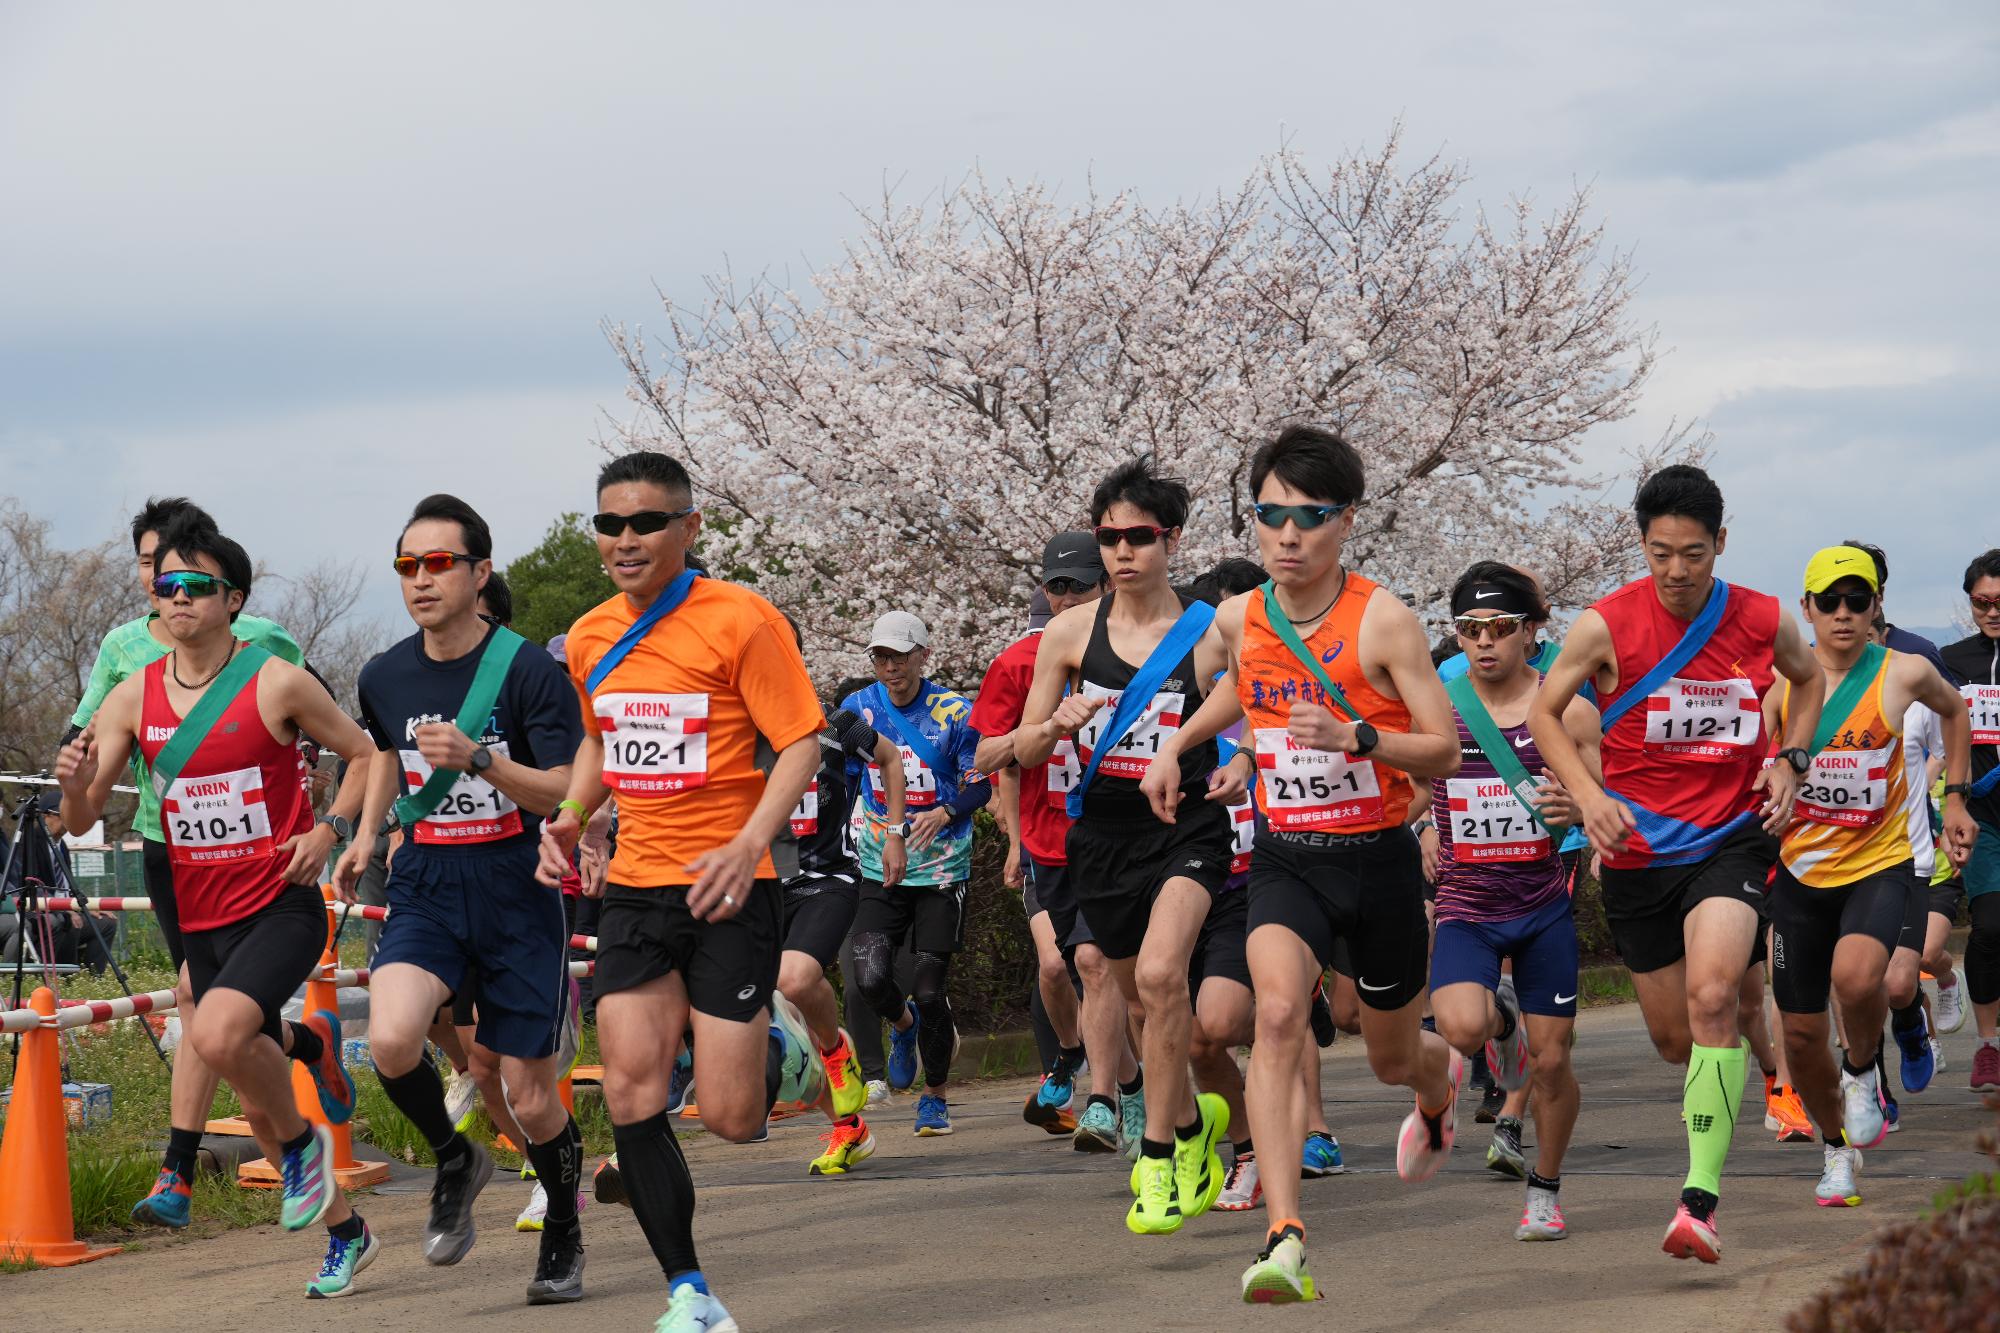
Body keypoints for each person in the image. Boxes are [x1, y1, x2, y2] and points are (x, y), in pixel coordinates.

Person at [1142, 426, 1462, 1303]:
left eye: (1308, 517)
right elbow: (1238, 689)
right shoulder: (1245, 615)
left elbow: (1443, 750)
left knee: (1394, 1054)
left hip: (1379, 862)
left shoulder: (1385, 619)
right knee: (1277, 1015)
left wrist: (1361, 734)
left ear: (1345, 521)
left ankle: (1440, 1086)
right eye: (1270, 515)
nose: (1286, 535)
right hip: (1290, 857)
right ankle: (1285, 1233)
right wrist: (1181, 744)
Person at [538, 451, 829, 1333]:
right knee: (630, 1090)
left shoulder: (741, 619)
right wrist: (576, 813)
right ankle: (690, 1293)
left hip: (730, 887)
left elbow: (802, 742)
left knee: (732, 1116)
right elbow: (601, 743)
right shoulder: (589, 636)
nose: (626, 540)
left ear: (688, 528)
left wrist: (750, 843)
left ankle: (789, 1048)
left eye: (647, 522)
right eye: (611, 524)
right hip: (634, 888)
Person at [56, 522, 378, 1297]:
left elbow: (365, 753)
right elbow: (80, 817)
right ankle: (346, 1230)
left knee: (218, 1027)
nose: (177, 599)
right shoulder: (132, 695)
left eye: (195, 587)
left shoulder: (276, 680)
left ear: (233, 599)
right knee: (255, 1099)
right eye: (166, 586)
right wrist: (72, 783)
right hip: (200, 914)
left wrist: (328, 829)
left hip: (280, 904)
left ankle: (302, 1154)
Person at [1529, 463, 1826, 1264]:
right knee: (1676, 1039)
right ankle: (1716, 1095)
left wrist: (1792, 760)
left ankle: (1699, 1200)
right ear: (1643, 543)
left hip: (1731, 835)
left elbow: (1807, 682)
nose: (1676, 570)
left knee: (1715, 993)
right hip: (1637, 849)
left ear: (1719, 544)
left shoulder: (1764, 618)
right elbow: (1542, 712)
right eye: (1661, 551)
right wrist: (1589, 796)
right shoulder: (1605, 624)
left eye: (1693, 552)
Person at [334, 494, 590, 1304]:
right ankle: (456, 1155)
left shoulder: (529, 669)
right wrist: (367, 834)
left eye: (439, 563)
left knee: (528, 1089)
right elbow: (380, 755)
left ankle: (563, 1229)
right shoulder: (383, 673)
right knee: (393, 1039)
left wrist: (482, 760)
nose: (421, 579)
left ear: (481, 572)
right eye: (408, 565)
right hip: (429, 883)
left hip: (517, 886)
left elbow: (560, 788)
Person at [1014, 458, 1236, 1239]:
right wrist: (1052, 725)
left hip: (1186, 827)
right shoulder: (1071, 632)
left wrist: (1204, 747)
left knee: (1157, 972)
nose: (1121, 551)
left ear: (1171, 538)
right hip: (1100, 837)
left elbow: (1259, 696)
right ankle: (1199, 1123)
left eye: (1139, 536)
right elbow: (1018, 748)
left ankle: (1159, 1154)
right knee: (1142, 1000)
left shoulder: (1211, 629)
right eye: (1109, 537)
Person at [1762, 546, 1973, 1209]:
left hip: (1879, 864)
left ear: (1876, 605)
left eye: (1858, 600)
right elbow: (1760, 767)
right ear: (1807, 609)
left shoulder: (1905, 672)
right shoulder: (1782, 686)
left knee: (1858, 977)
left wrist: (1958, 798)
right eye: (1830, 602)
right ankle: (1836, 1152)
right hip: (1799, 872)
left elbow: (1958, 712)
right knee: (1797, 1035)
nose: (1845, 614)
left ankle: (1861, 1071)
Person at [1421, 562, 1598, 1241]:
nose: (1485, 641)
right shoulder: (1438, 704)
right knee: (1459, 1027)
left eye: (1500, 628)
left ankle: (1545, 1188)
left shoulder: (1567, 707)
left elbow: (1602, 797)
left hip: (1542, 902)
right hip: (1466, 900)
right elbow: (1408, 783)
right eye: (1470, 629)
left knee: (1553, 1061)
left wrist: (1575, 802)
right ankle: (1501, 1025)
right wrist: (1424, 828)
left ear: (1531, 631)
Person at [970, 532, 1144, 1153]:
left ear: (1106, 586)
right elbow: (986, 756)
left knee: (1097, 965)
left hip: (1119, 836)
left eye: (1080, 584)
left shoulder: (1139, 650)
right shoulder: (1019, 664)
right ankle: (1125, 1080)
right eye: (1057, 585)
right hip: (1048, 843)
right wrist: (1040, 730)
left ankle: (1102, 1100)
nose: (1068, 597)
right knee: (1057, 968)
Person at [839, 611, 991, 1137]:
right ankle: (901, 1028)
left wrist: (946, 812)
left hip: (944, 866)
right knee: (870, 977)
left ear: (923, 655)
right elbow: (846, 775)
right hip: (881, 861)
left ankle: (935, 1097)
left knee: (930, 990)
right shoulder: (858, 709)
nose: (890, 667)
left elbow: (980, 786)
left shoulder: (955, 711)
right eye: (881, 657)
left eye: (900, 657)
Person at [778, 651, 909, 1176]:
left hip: (826, 879)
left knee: (795, 979)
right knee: (776, 1031)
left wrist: (895, 834)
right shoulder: (735, 725)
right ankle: (848, 1127)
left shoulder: (838, 723)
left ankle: (837, 1053)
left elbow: (892, 759)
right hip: (760, 882)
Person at [1940, 548, 2000, 1093]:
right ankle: (1988, 1048)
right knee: (1990, 928)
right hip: (1985, 820)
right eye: (1982, 602)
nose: (1992, 611)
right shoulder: (1952, 660)